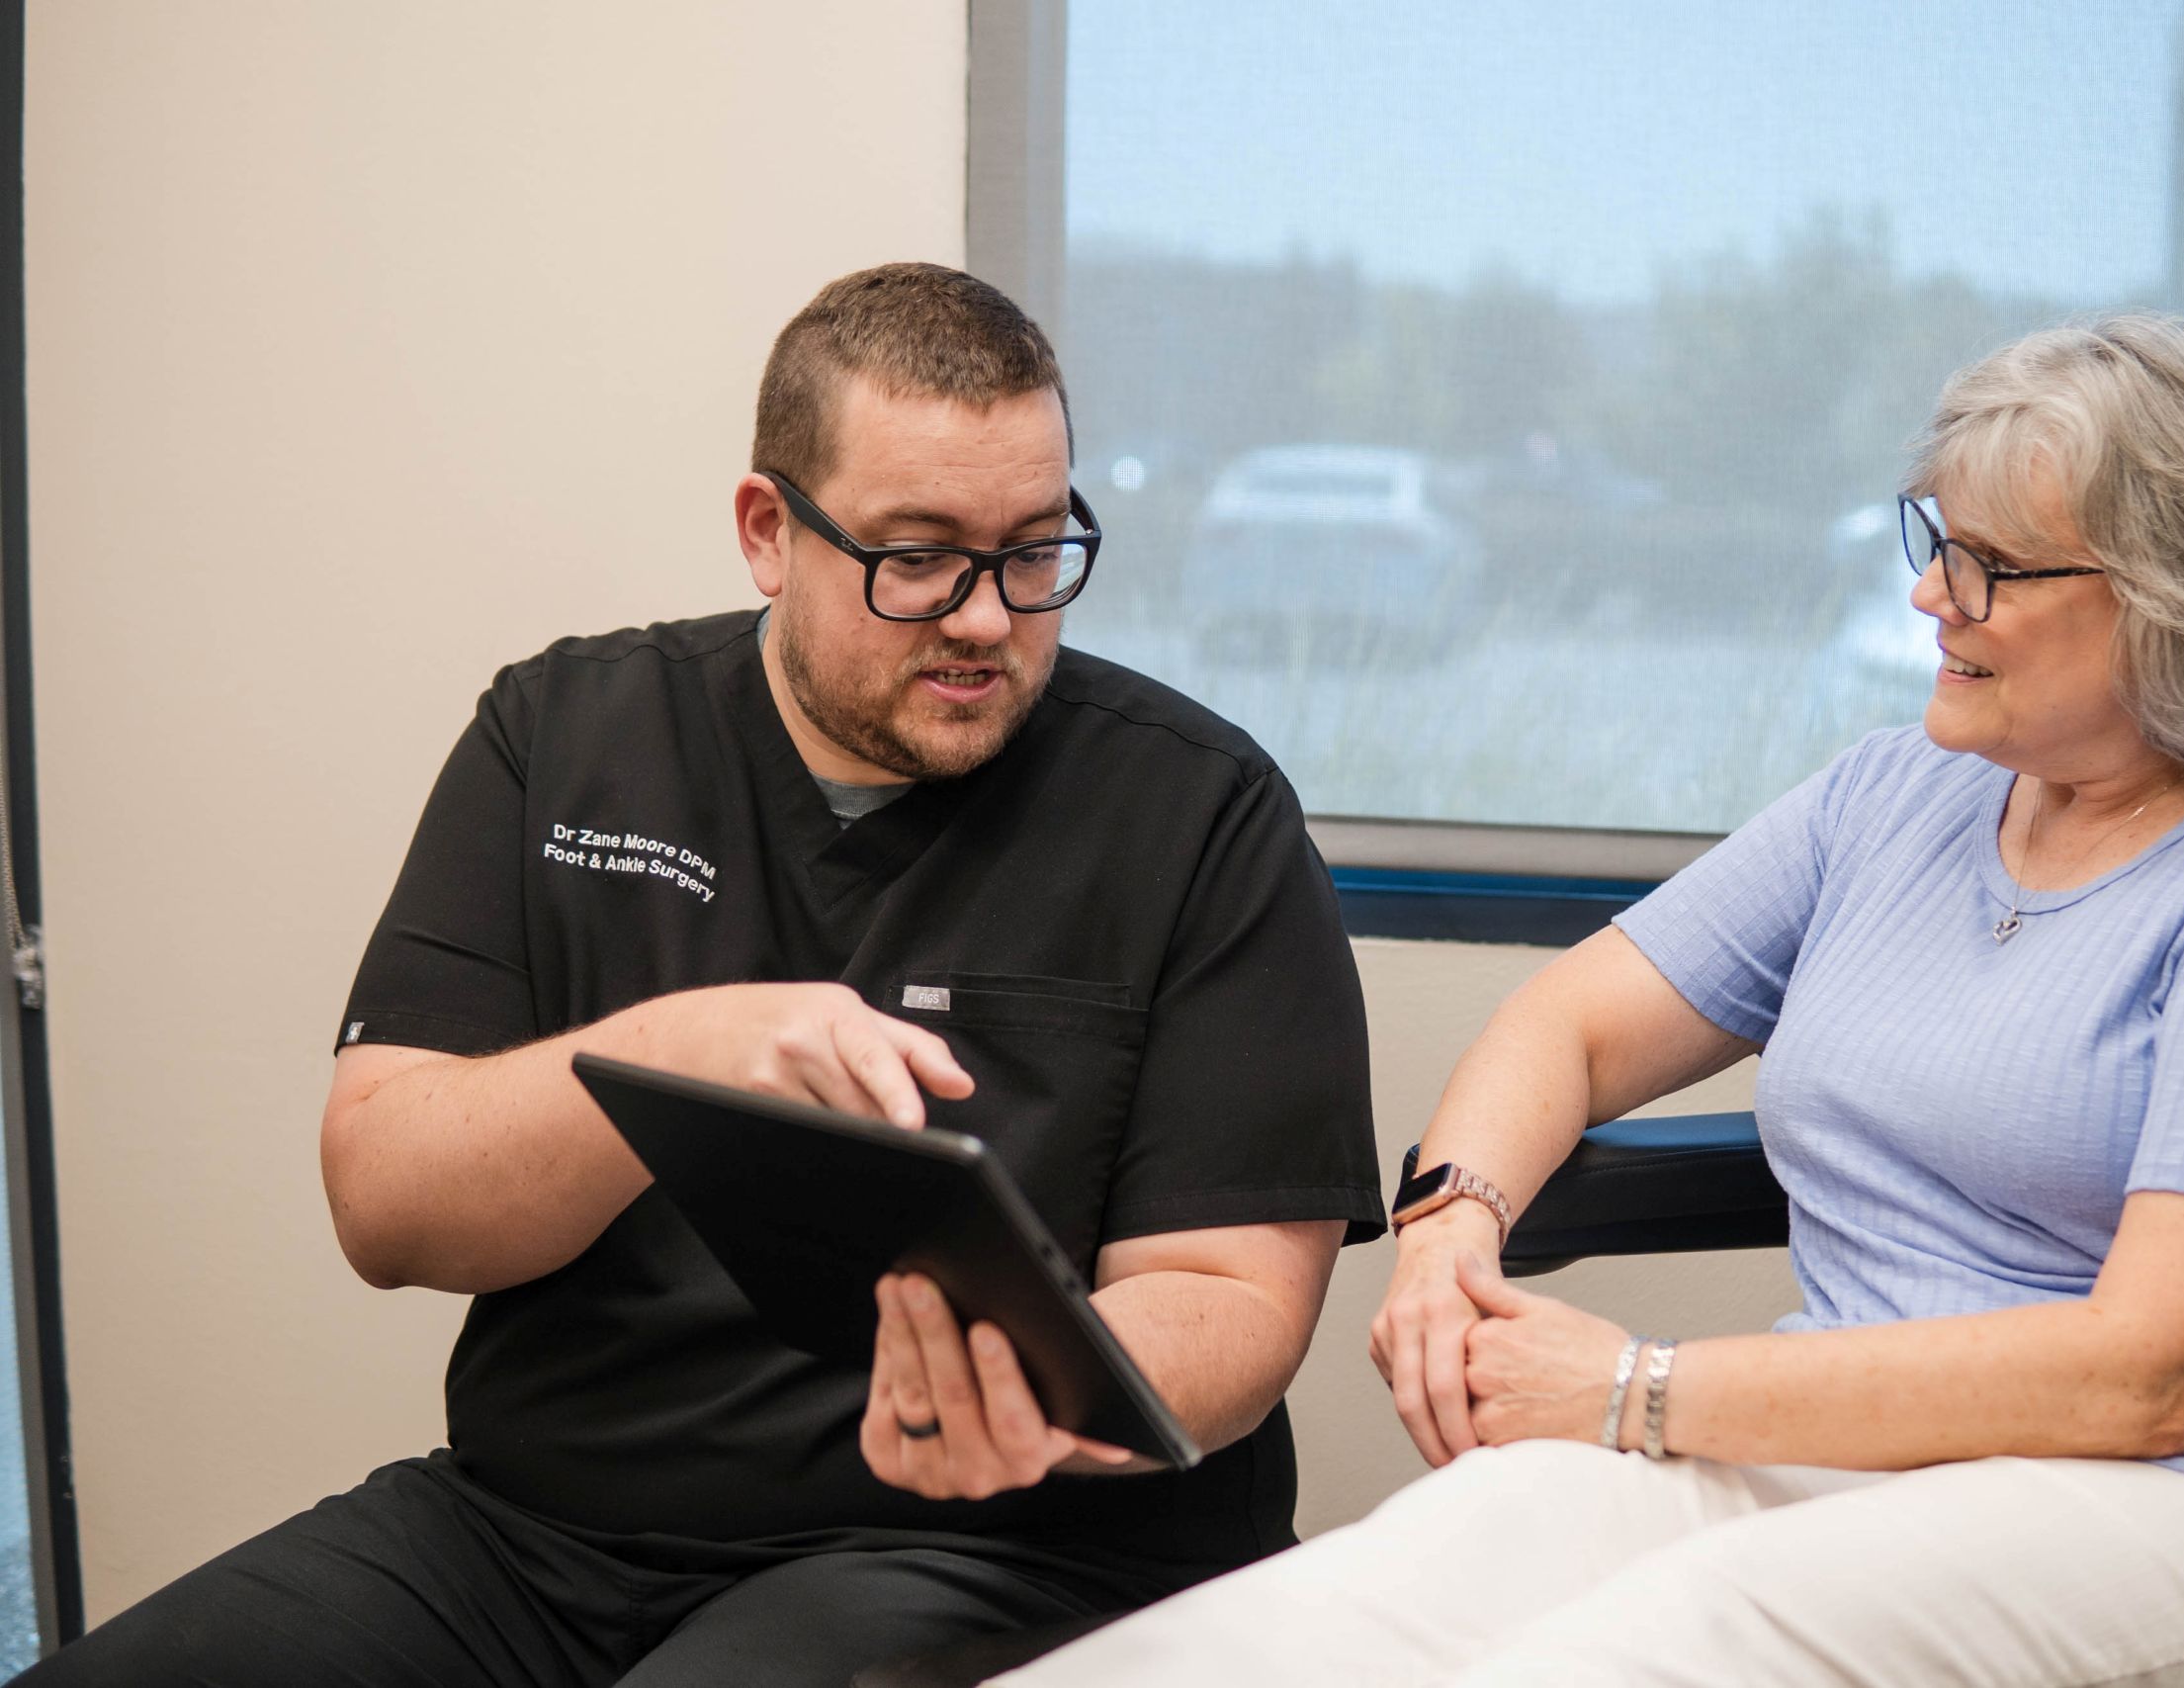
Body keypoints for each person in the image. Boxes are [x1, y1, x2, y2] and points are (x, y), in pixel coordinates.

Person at [997, 314, 2184, 1688]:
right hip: (1843, 1446)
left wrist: (1638, 1391)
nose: (1927, 594)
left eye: (1992, 567)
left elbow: (2159, 1373)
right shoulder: (1903, 793)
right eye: (1934, 540)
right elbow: (1568, 1024)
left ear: (2182, 603)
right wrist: (1453, 1227)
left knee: (1625, 1657)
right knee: (1333, 1616)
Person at [23, 264, 1382, 1687]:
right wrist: (677, 1053)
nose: (987, 617)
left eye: (1034, 550)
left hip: (1010, 1550)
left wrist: (1043, 1392)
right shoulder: (563, 733)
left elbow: (1228, 1296)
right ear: (765, 532)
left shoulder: (1198, 812)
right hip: (533, 1535)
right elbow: (387, 1200)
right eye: (917, 556)